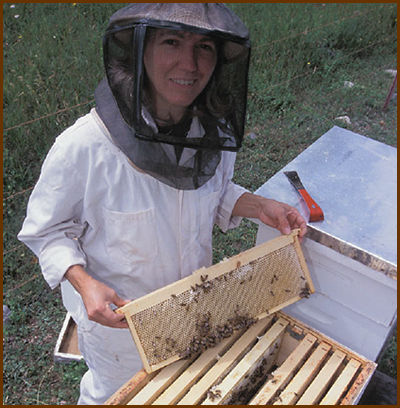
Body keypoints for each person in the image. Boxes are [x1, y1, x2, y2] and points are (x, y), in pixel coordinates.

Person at [18, 3, 307, 405]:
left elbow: (211, 191)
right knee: (116, 397)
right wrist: (84, 283)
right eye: (172, 41)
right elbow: (47, 231)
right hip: (123, 330)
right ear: (141, 50)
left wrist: (259, 207)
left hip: (193, 310)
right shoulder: (83, 146)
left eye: (204, 46)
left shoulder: (212, 135)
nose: (189, 63)